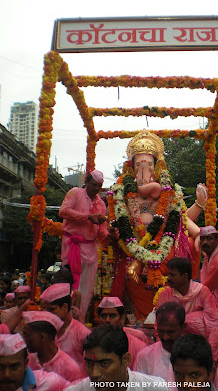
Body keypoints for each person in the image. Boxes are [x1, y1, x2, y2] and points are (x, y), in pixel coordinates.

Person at [107, 129, 207, 320]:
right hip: (132, 253)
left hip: (165, 255)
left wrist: (199, 204)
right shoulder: (121, 195)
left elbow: (183, 221)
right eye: (138, 165)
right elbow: (115, 224)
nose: (143, 170)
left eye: (149, 164)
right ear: (131, 167)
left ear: (156, 166)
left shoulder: (168, 194)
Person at [59, 169, 118, 319]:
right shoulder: (75, 193)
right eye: (93, 185)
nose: (96, 189)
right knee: (69, 285)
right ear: (86, 182)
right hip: (73, 245)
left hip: (91, 247)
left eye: (99, 186)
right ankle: (66, 320)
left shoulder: (101, 204)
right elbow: (63, 211)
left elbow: (101, 231)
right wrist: (87, 217)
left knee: (87, 289)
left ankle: (79, 321)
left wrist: (110, 235)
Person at [64, 324, 169, 390]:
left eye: (104, 364)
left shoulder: (155, 388)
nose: (94, 373)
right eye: (89, 363)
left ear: (126, 360)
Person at [157, 257, 218, 362]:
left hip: (199, 346)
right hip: (172, 345)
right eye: (168, 275)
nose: (168, 279)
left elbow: (213, 323)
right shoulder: (165, 294)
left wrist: (211, 356)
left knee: (196, 319)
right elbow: (158, 325)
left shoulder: (202, 291)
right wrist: (163, 353)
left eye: (172, 275)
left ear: (185, 276)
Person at [40, 283, 91, 374]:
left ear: (64, 307)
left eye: (51, 310)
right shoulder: (44, 332)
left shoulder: (82, 333)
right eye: (45, 309)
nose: (47, 314)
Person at [134, 302, 186, 387]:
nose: (165, 337)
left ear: (183, 327)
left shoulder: (195, 355)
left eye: (170, 332)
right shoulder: (144, 356)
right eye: (161, 331)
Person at [22, 311, 82, 382]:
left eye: (27, 335)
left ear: (42, 337)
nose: (23, 340)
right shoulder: (27, 359)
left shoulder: (70, 369)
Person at [0, 333, 69, 391]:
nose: (6, 374)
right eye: (0, 367)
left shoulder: (49, 383)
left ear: (25, 364)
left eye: (14, 367)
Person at [97, 296, 147, 369]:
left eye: (112, 316)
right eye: (103, 316)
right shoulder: (93, 345)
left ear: (122, 318)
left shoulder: (138, 346)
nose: (107, 320)